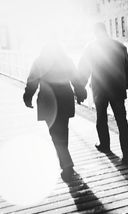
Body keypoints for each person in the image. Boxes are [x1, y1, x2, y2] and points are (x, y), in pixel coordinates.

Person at [23, 42, 86, 179]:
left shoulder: (39, 62)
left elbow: (32, 81)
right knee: (63, 131)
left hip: (48, 101)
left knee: (55, 134)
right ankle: (66, 162)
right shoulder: (66, 60)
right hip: (65, 99)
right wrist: (81, 93)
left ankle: (66, 164)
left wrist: (28, 97)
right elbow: (76, 79)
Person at [78, 22, 128, 164]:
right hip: (117, 90)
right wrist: (124, 85)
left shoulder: (91, 47)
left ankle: (105, 146)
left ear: (95, 33)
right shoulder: (120, 46)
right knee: (122, 122)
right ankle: (127, 155)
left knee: (101, 118)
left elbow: (83, 70)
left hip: (100, 90)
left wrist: (79, 90)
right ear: (106, 31)